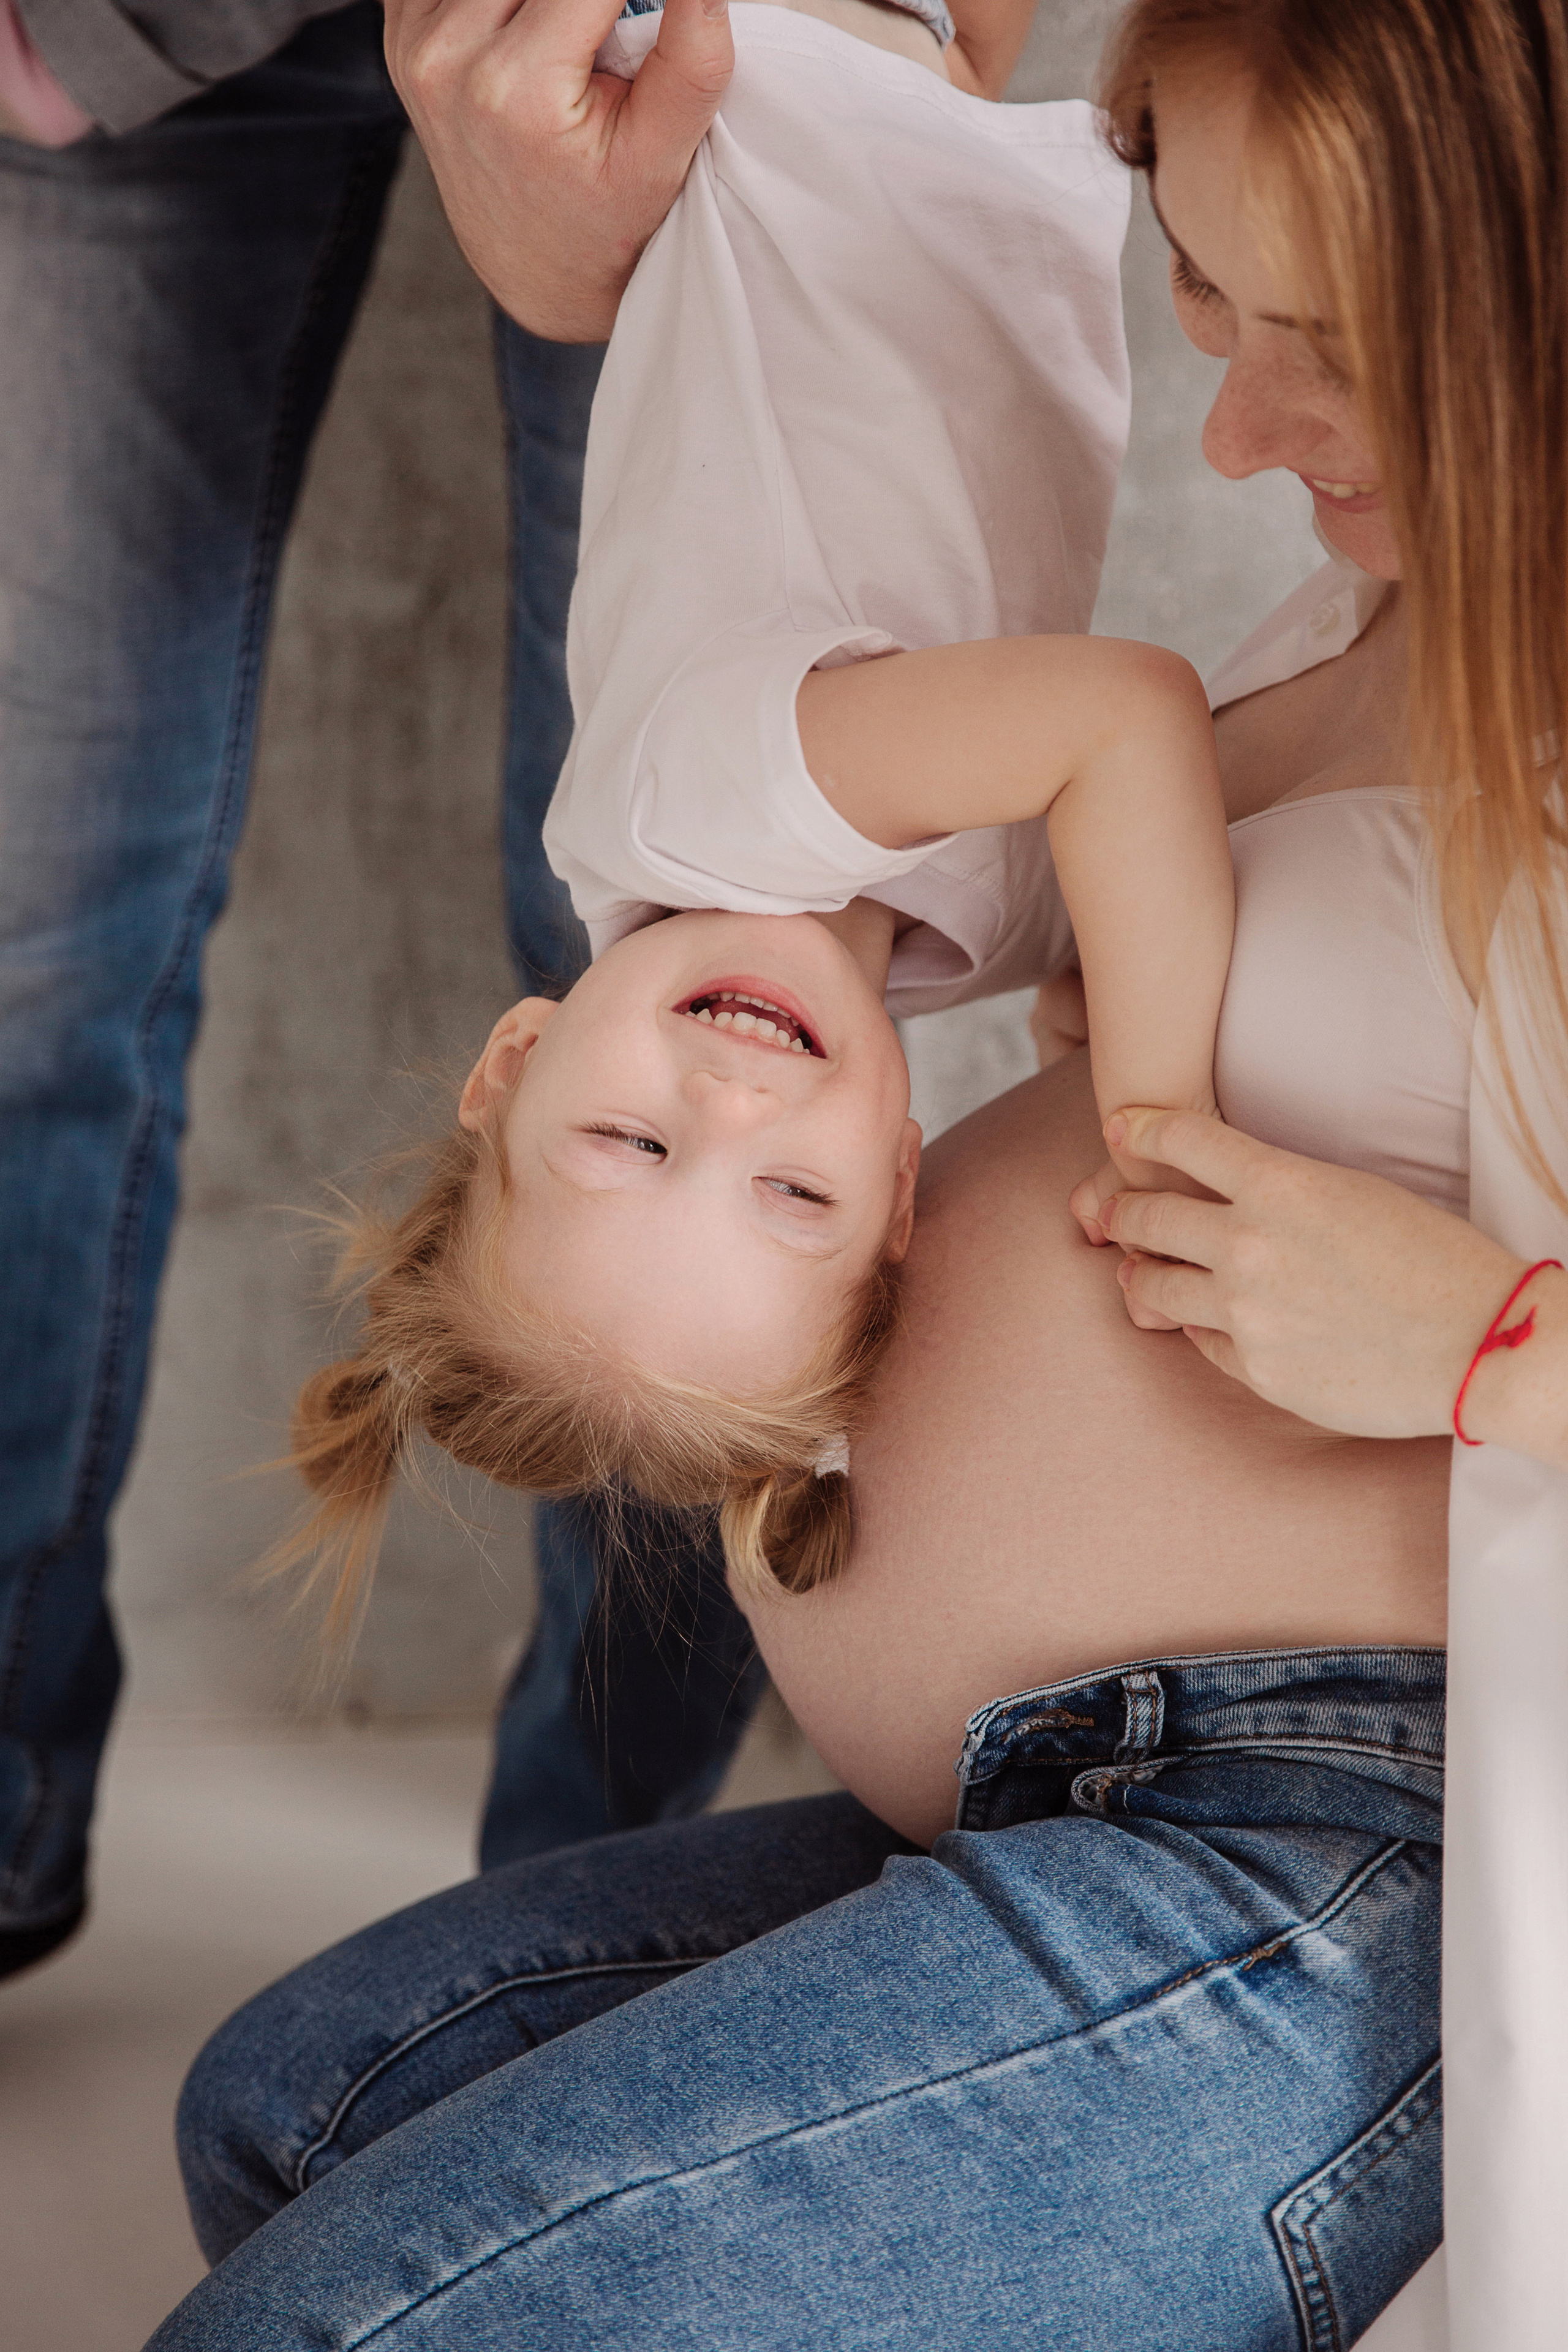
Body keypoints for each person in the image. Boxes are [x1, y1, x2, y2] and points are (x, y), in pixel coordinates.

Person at [140, 0, 1568, 2343]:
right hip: (1063, 1775)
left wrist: (1483, 1340)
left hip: (1333, 1837)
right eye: (1202, 288)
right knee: (288, 2114)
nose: (1226, 428)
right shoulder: (1393, 583)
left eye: (1332, 338)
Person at [0, 0, 800, 1978]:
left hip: (689, 26)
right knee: (29, 947)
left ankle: (576, 1935)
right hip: (119, 32)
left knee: (683, 962)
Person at [273, 10, 1248, 1616]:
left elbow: (1131, 718)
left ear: (516, 1061)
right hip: (912, 84)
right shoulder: (966, 931)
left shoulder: (715, 808)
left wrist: (1161, 1143)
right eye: (794, 1198)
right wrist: (1082, 998)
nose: (728, 1110)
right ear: (903, 1184)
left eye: (628, 1139)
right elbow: (1153, 831)